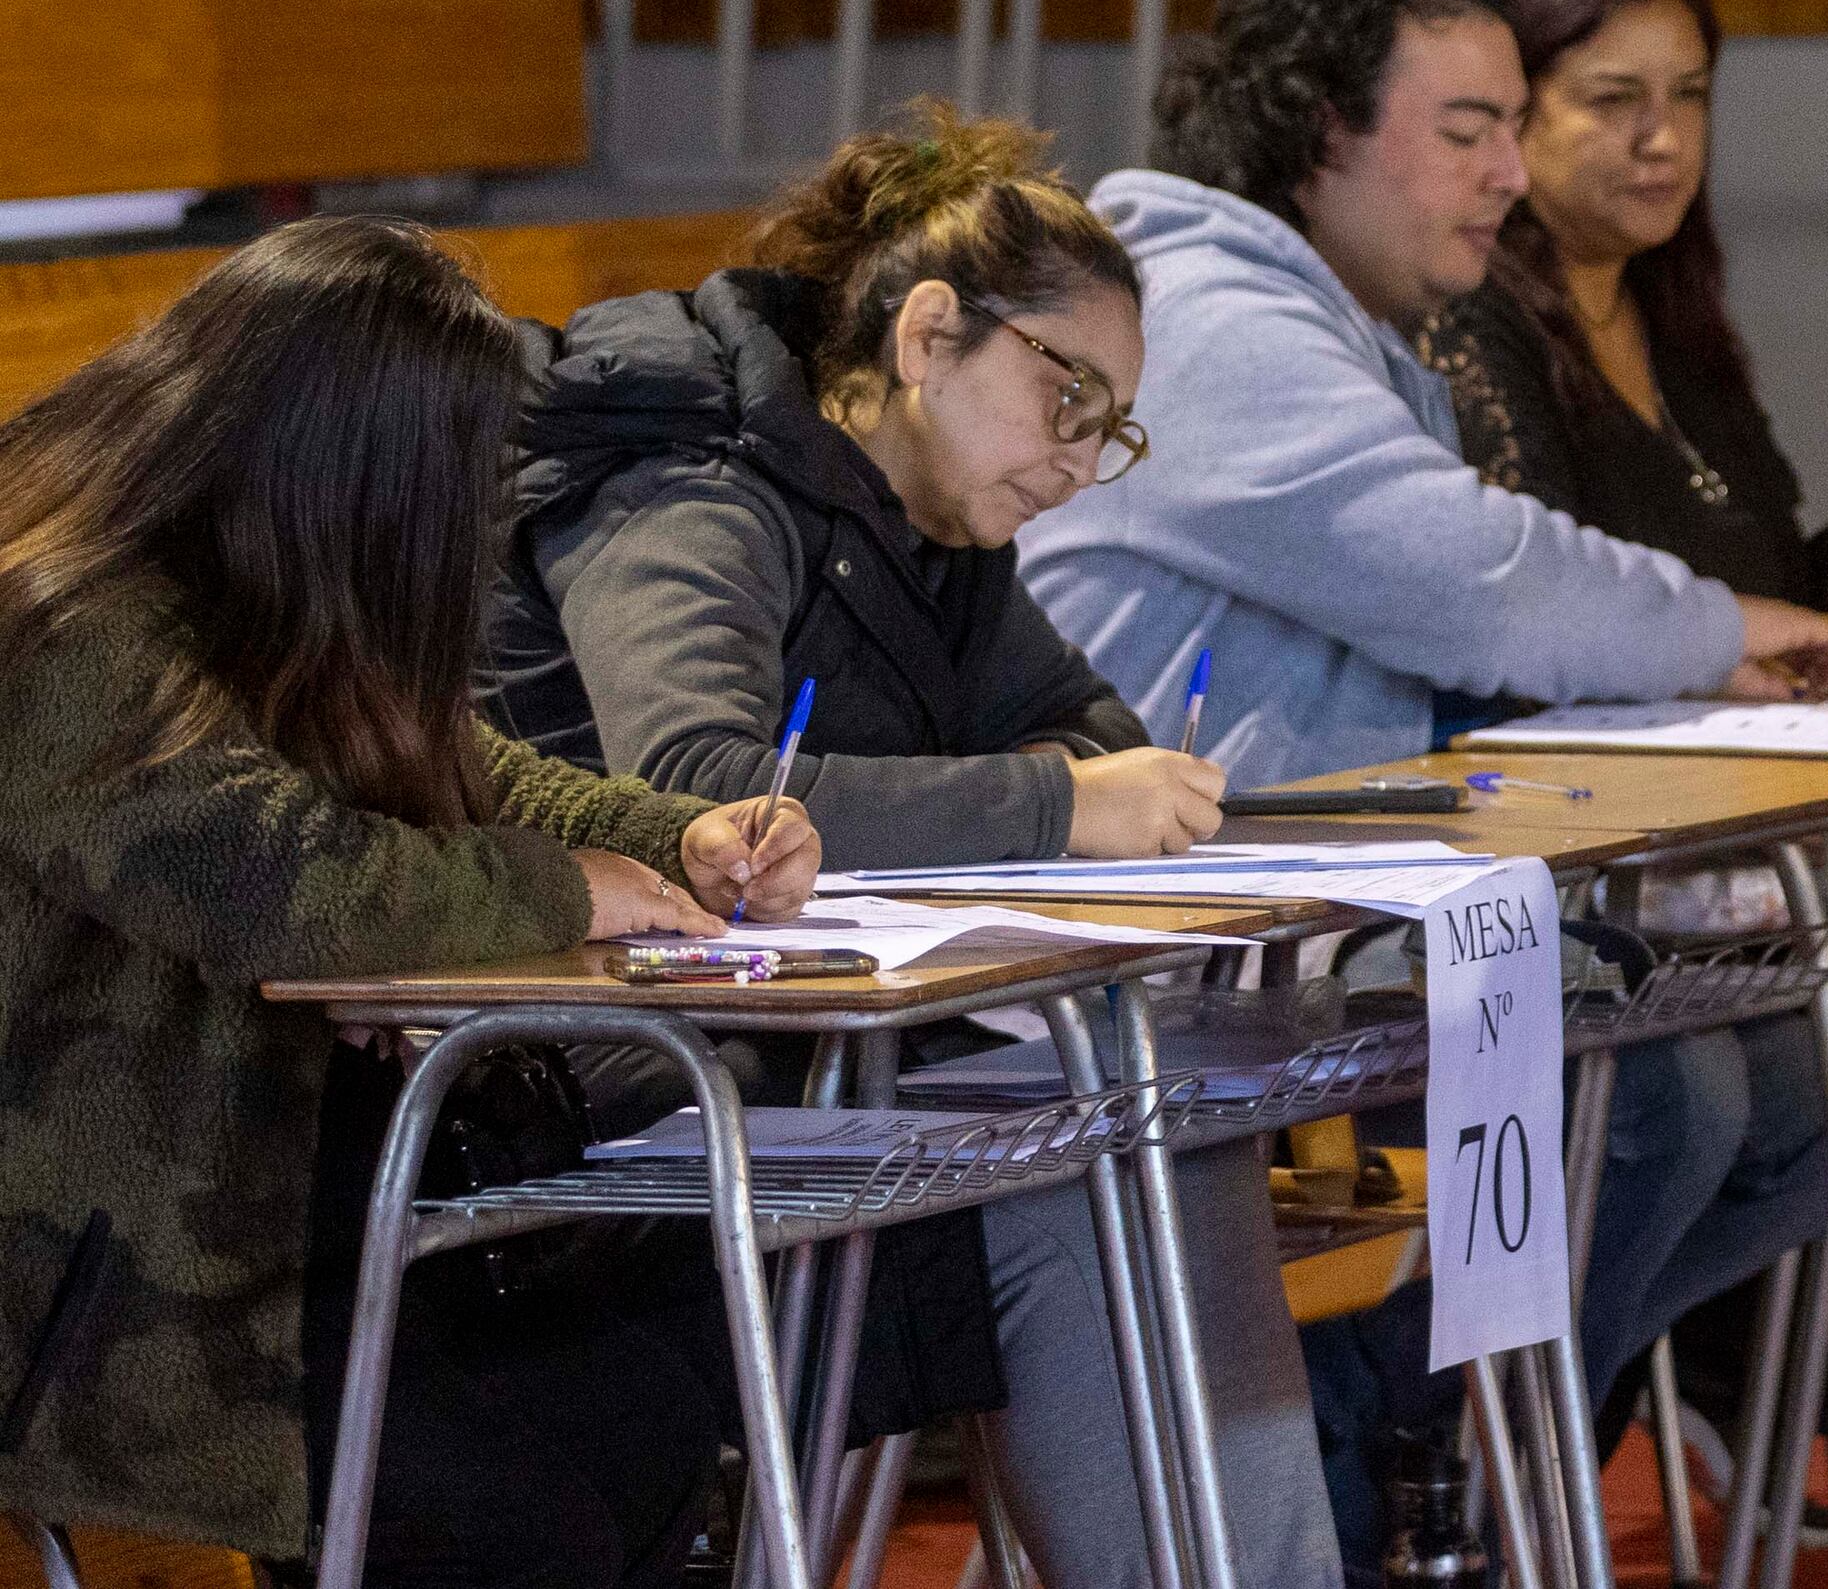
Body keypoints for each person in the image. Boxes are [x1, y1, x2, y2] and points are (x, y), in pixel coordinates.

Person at [1017, 0, 1828, 1542]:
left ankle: (1443, 1461)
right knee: (1667, 1093)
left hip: (1315, 884)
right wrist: (1725, 625)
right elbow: (1470, 579)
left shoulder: (1322, 318)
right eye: (1467, 129)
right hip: (1167, 924)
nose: (1507, 173)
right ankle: (1407, 1464)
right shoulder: (1212, 323)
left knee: (1787, 1078)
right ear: (1323, 130)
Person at [485, 107, 1339, 1589]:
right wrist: (1053, 807)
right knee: (1099, 1132)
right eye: (1066, 396)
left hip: (776, 1033)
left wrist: (1060, 782)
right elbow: (695, 787)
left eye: (1110, 429)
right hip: (562, 1051)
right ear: (931, 333)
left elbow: (1095, 727)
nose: (1080, 463)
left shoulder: (934, 533)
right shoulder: (688, 471)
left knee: (1153, 1109)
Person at [0, 220, 810, 1589]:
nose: (474, 524)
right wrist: (569, 891)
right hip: (93, 1280)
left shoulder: (258, 592)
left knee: (661, 1404)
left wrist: (685, 837)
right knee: (518, 1504)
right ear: (355, 472)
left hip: (264, 1217)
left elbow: (479, 779)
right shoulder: (61, 620)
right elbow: (288, 887)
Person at [1420, 0, 1828, 1443]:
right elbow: (1581, 600)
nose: (1662, 138)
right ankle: (1634, 1387)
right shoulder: (1472, 332)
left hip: (1750, 838)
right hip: (1598, 854)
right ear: (1516, 114)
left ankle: (1741, 1375)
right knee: (1756, 1075)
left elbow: (1772, 540)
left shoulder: (1676, 312)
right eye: (1613, 98)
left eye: (1691, 96)